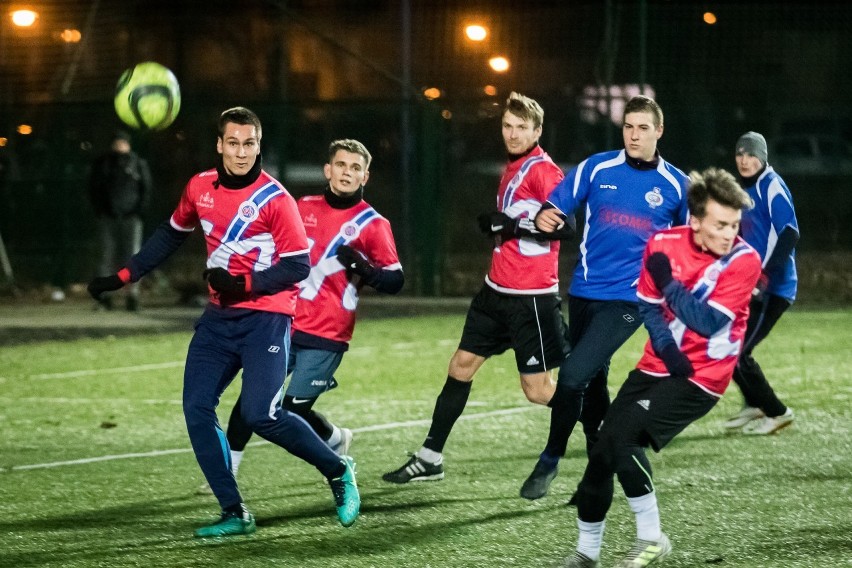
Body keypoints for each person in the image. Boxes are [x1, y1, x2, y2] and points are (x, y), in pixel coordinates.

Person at [86, 107, 360, 537]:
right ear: (219, 144)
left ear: (258, 146)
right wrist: (124, 276)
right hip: (219, 320)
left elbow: (297, 266)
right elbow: (171, 233)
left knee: (260, 414)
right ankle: (234, 511)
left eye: (249, 143)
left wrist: (242, 283)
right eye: (232, 143)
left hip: (267, 319)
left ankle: (337, 469)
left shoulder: (276, 199)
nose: (241, 152)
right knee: (196, 408)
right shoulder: (200, 187)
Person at [560, 167, 761, 568]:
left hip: (701, 378)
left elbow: (706, 321)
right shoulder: (662, 243)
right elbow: (648, 305)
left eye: (734, 225)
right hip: (659, 365)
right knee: (602, 451)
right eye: (720, 224)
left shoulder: (744, 261)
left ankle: (652, 539)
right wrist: (666, 347)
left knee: (621, 438)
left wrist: (671, 285)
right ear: (695, 220)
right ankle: (586, 553)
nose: (728, 234)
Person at [382, 91, 575, 484]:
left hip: (531, 298)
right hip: (495, 292)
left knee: (538, 392)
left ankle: (601, 419)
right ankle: (430, 456)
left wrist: (511, 226)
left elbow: (566, 229)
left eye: (522, 127)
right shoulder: (512, 167)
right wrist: (499, 225)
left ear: (538, 130)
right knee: (461, 366)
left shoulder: (544, 171)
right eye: (508, 125)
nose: (513, 133)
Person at [521, 95, 689, 501]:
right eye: (629, 126)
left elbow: (687, 245)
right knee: (593, 390)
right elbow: (554, 208)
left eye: (643, 127)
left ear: (659, 131)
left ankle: (550, 459)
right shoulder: (596, 167)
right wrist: (546, 218)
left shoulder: (677, 185)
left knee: (574, 375)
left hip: (629, 302)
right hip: (583, 293)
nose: (634, 134)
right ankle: (608, 472)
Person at [218, 138, 404, 479]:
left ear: (365, 177)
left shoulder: (373, 224)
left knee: (291, 411)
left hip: (327, 333)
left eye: (355, 168)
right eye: (341, 165)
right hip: (284, 322)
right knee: (252, 399)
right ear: (327, 170)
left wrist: (363, 268)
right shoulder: (301, 206)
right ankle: (227, 468)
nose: (347, 173)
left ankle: (333, 440)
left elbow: (395, 280)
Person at [723, 131, 798, 435]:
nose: (744, 159)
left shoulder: (772, 186)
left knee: (738, 352)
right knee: (724, 347)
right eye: (740, 154)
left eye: (751, 154)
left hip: (773, 290)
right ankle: (754, 404)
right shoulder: (743, 187)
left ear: (763, 157)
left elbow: (790, 234)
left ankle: (777, 411)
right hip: (749, 285)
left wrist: (765, 277)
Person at [88, 130, 152, 311]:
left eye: (122, 142)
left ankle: (132, 297)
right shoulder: (104, 164)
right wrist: (101, 210)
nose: (119, 146)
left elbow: (145, 190)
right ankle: (105, 298)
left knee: (132, 257)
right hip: (108, 217)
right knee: (105, 257)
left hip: (131, 217)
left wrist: (138, 212)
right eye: (117, 142)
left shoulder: (137, 163)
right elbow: (94, 188)